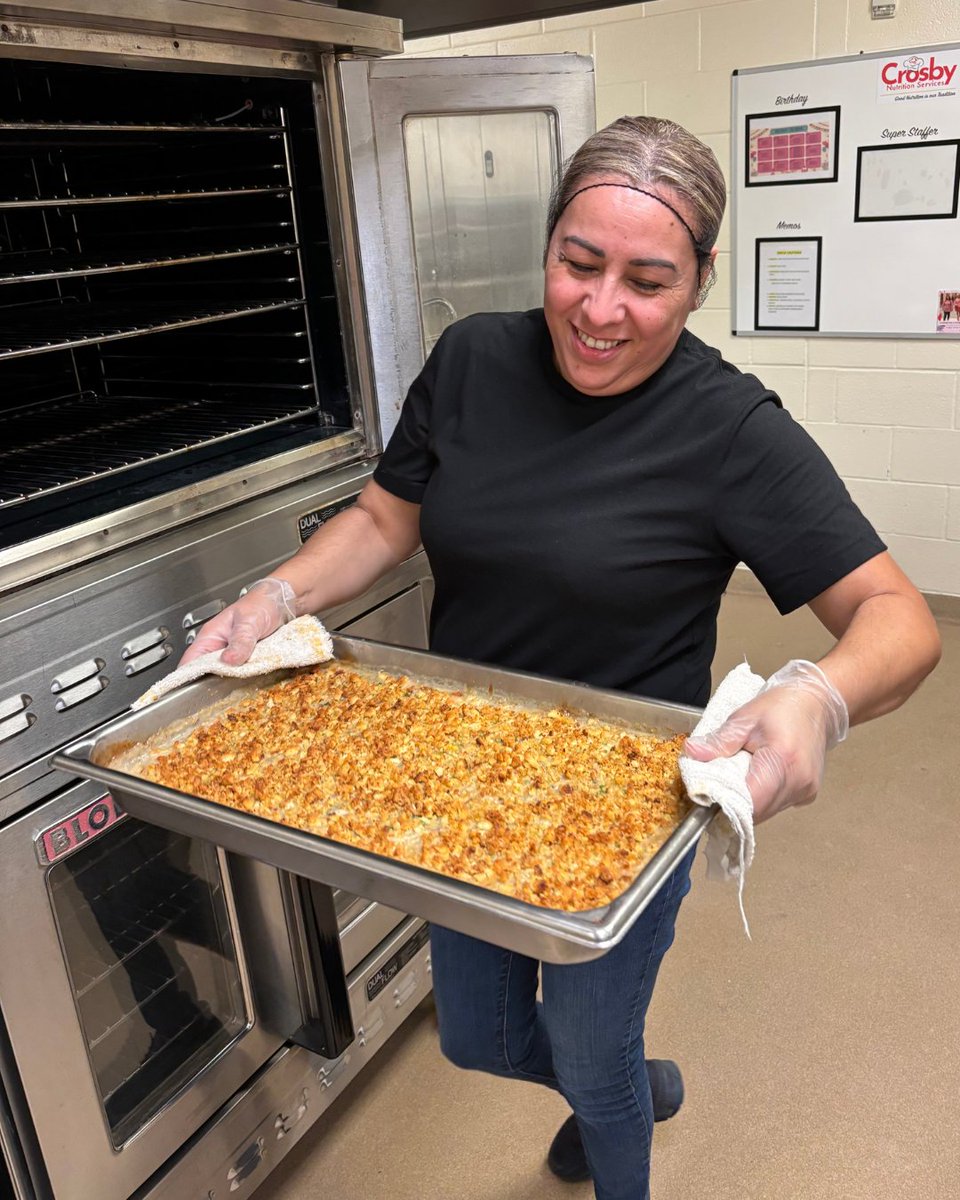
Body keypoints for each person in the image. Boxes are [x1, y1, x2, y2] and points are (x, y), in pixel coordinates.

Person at [179, 116, 941, 1199]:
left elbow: (900, 620)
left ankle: (615, 1118)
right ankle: (634, 1079)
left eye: (648, 281)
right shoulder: (474, 359)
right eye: (577, 264)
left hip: (628, 807)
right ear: (548, 245)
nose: (599, 309)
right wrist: (275, 594)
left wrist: (817, 695)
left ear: (701, 281)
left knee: (591, 1056)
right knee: (475, 1040)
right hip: (461, 781)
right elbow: (388, 518)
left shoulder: (729, 429)